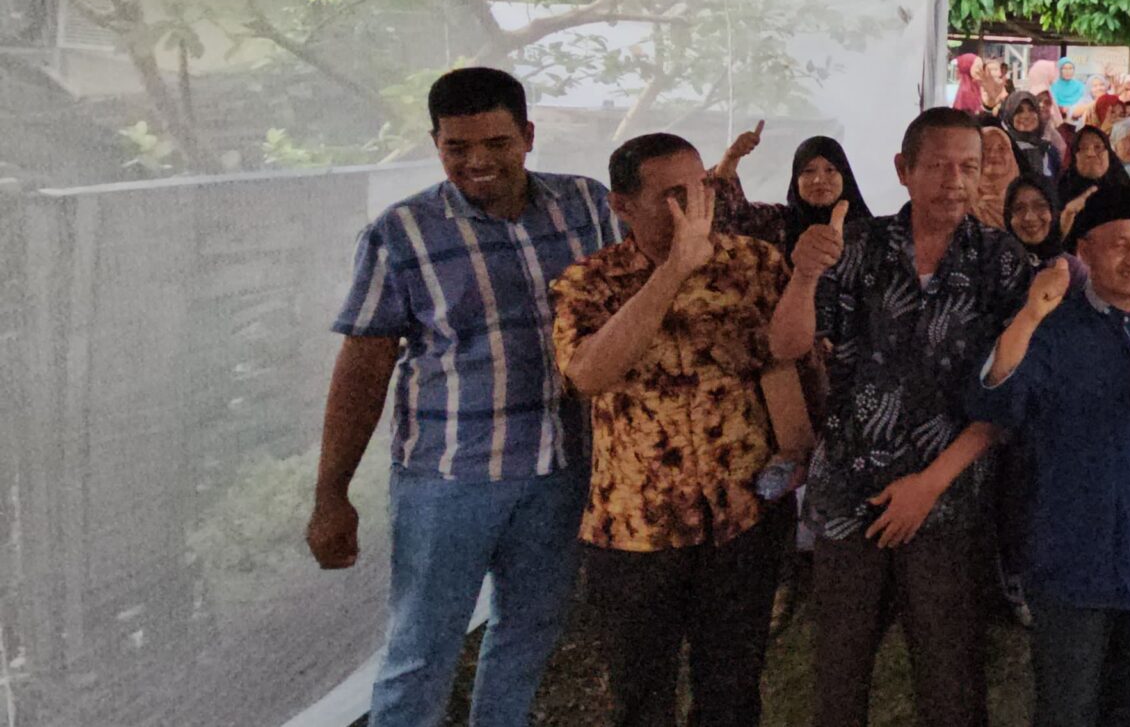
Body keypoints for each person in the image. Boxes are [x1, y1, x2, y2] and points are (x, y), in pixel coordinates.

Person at [308, 67, 618, 727]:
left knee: (531, 628)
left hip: (563, 467)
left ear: (528, 135)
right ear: (436, 143)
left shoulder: (587, 205)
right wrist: (331, 492)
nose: (478, 161)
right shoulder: (401, 233)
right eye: (457, 147)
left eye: (497, 143)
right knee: (421, 649)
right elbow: (363, 366)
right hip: (449, 481)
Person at [549, 133, 825, 727]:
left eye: (701, 188)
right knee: (641, 694)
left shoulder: (753, 263)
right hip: (638, 527)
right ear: (622, 206)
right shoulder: (589, 282)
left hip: (743, 513)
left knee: (732, 687)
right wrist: (674, 271)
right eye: (674, 196)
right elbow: (588, 375)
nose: (696, 206)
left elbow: (792, 358)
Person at [807, 108, 1037, 727]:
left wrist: (929, 486)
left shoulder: (1001, 261)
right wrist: (803, 274)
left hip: (949, 497)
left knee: (951, 674)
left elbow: (1010, 392)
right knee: (839, 671)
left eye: (969, 167)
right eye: (938, 166)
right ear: (903, 170)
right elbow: (797, 346)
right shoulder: (857, 248)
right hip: (848, 491)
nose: (954, 181)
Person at [973, 186, 1130, 727]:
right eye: (1119, 244)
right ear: (1086, 251)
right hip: (1072, 562)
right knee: (1067, 707)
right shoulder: (1052, 329)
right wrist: (1030, 314)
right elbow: (994, 401)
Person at [707, 126, 874, 252]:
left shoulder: (871, 232)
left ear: (845, 177)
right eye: (808, 171)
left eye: (830, 170)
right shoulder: (777, 223)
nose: (819, 179)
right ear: (795, 181)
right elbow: (730, 218)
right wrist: (731, 157)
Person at [1002, 90, 1064, 189]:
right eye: (1019, 111)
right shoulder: (1004, 151)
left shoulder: (1049, 151)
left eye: (1031, 110)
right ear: (1009, 116)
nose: (1026, 115)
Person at [1060, 124, 1121, 213]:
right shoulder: (1062, 189)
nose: (1091, 153)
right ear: (1074, 156)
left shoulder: (1122, 186)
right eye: (1084, 148)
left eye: (1098, 147)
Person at [978, 121, 1027, 229]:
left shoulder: (1026, 199)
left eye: (1001, 148)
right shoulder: (962, 201)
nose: (993, 154)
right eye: (986, 148)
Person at [1005, 176, 1064, 260]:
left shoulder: (1072, 266)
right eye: (1019, 208)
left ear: (1053, 212)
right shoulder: (993, 263)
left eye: (1040, 206)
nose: (1029, 217)